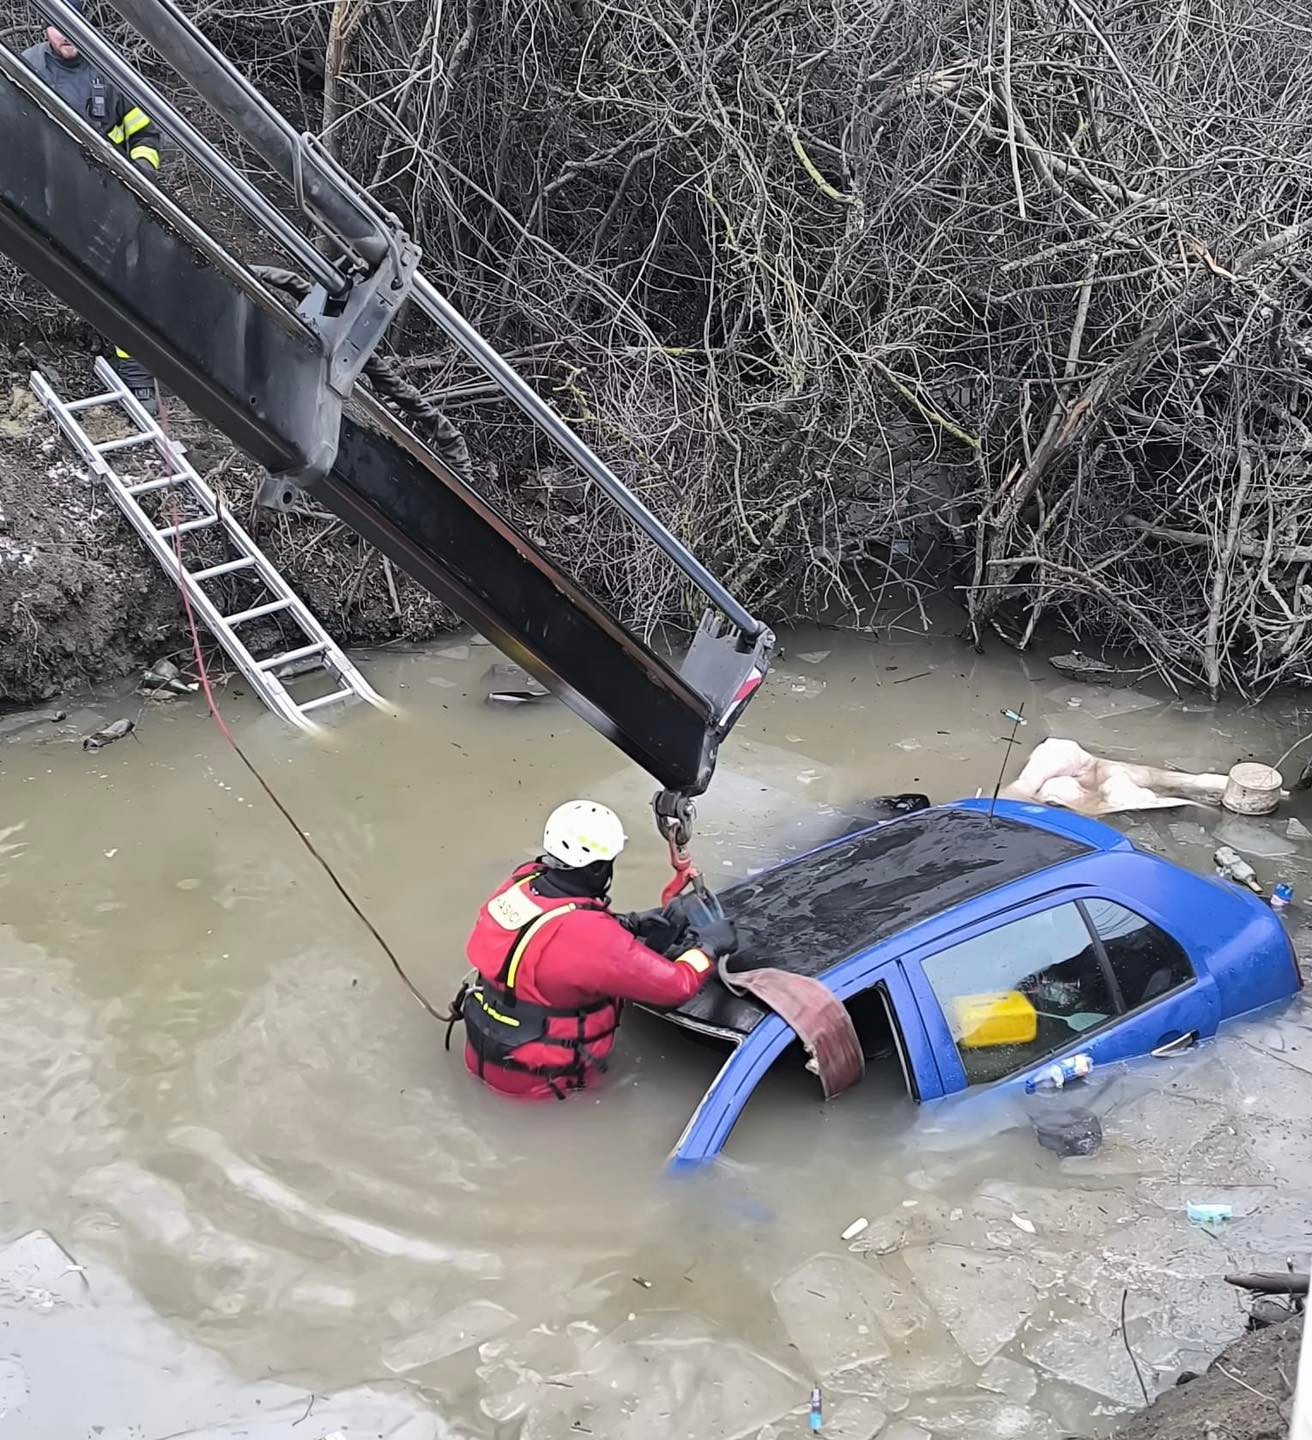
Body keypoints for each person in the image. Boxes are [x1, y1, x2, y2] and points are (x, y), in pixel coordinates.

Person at [460, 800, 739, 1100]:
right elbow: (677, 986)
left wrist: (627, 923)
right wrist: (709, 947)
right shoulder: (594, 939)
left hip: (486, 1055)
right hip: (547, 1088)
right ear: (597, 868)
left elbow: (546, 931)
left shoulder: (521, 881)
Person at [22, 0, 162, 411]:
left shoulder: (111, 73)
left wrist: (138, 176)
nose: (66, 34)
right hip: (48, 198)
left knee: (128, 278)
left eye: (74, 23)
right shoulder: (27, 68)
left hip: (109, 199)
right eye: (58, 24)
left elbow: (146, 134)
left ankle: (133, 369)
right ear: (46, 26)